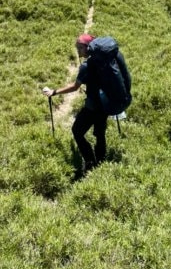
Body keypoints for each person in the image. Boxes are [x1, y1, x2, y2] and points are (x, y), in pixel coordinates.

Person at [42, 33, 131, 173]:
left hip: (92, 106)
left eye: (79, 47)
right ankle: (101, 163)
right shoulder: (106, 60)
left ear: (86, 48)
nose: (77, 50)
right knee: (100, 134)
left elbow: (74, 87)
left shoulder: (86, 66)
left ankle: (90, 161)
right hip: (105, 103)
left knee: (77, 131)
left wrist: (54, 92)